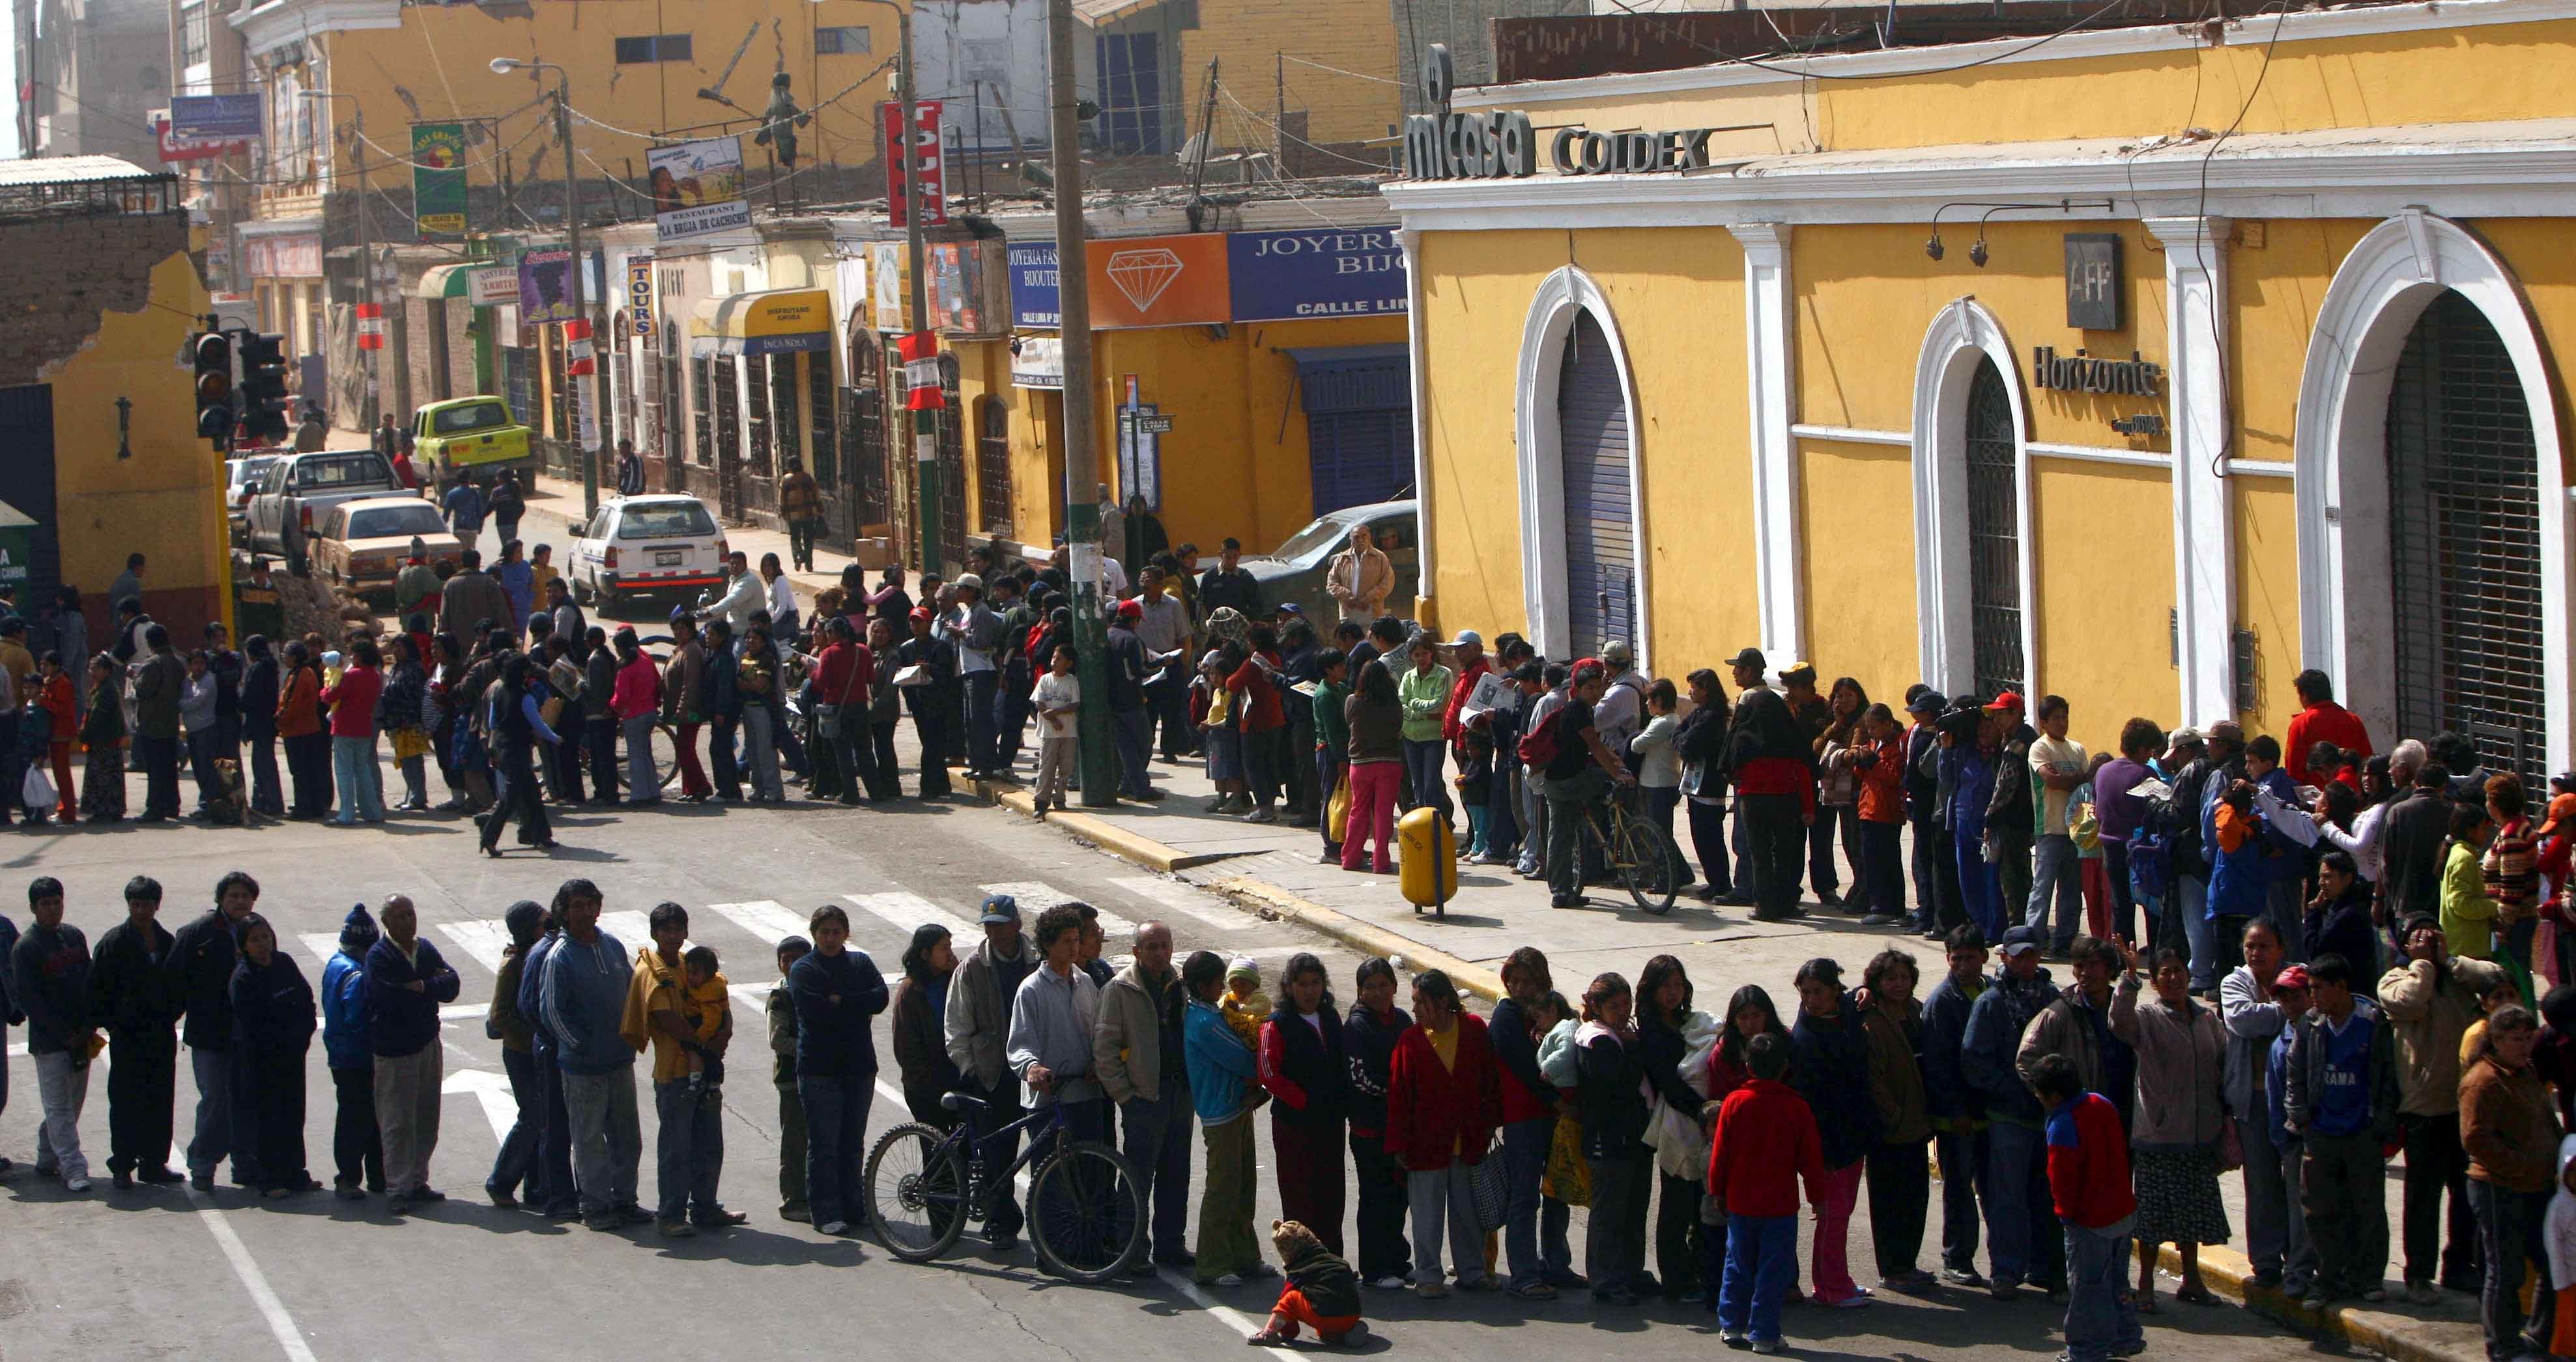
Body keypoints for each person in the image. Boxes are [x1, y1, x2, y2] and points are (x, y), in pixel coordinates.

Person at [2108, 942, 2231, 1310]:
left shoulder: (2208, 1020)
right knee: (2151, 1220)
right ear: (2156, 982)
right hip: (2158, 1136)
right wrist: (2129, 979)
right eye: (2165, 972)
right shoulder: (2146, 1017)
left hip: (2198, 1135)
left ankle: (2191, 1280)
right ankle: (2145, 1285)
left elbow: (2222, 1065)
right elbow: (2119, 1023)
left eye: (2179, 970)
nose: (2174, 978)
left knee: (2192, 1214)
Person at [2281, 950, 2399, 1310]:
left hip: (2361, 1132)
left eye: (2319, 988)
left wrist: (2382, 1126)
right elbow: (2295, 1073)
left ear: (2341, 987)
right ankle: (2327, 1279)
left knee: (2368, 1208)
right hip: (2321, 1132)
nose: (2313, 996)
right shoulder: (2311, 1024)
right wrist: (2300, 1117)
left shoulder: (2373, 1021)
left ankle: (2368, 1278)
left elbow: (2386, 1078)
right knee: (2319, 1211)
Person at [2381, 913, 2490, 1301]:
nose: (2426, 943)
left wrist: (2450, 960)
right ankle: (2418, 1274)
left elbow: (2495, 978)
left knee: (2466, 1194)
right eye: (2417, 938)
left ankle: (2459, 1266)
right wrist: (2423, 964)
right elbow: (2409, 1002)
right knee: (2423, 1198)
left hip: (2462, 1105)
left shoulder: (2458, 981)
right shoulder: (2395, 979)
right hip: (2422, 1108)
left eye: (2432, 937)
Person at [1961, 924, 2067, 1301]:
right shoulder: (1990, 1003)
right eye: (2017, 955)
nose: (2025, 962)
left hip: (2050, 1116)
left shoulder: (2053, 998)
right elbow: (1975, 1061)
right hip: (2009, 1117)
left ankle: (2045, 1266)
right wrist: (2013, 1092)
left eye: (2031, 955)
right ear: (2004, 956)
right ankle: (2006, 1270)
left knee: (2048, 1195)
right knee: (2007, 1197)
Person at [1709, 1031, 1827, 1355]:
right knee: (1773, 1270)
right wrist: (1818, 1196)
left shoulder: (1734, 1102)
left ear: (1749, 1066)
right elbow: (1811, 1159)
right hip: (1780, 1205)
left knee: (1737, 1263)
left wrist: (1717, 1190)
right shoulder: (1796, 1107)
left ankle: (1732, 1324)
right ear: (1784, 1067)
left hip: (1741, 1202)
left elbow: (1721, 1154)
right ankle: (1764, 1333)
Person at [1386, 967, 1500, 1298]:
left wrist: (1490, 1122)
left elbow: (1489, 1081)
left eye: (1421, 1002)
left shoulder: (1474, 1030)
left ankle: (1472, 1271)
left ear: (1443, 1001)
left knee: (1468, 1214)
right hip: (1425, 1145)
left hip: (1468, 1141)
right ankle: (1429, 1276)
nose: (1416, 1010)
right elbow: (1399, 1096)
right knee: (1427, 1216)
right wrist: (1399, 1143)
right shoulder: (1410, 1040)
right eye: (1414, 1002)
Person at [541, 879, 646, 1232]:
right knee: (589, 1142)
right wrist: (580, 1045)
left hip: (620, 1061)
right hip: (583, 1069)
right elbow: (552, 1012)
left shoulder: (613, 946)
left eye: (591, 905)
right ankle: (596, 1206)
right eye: (577, 906)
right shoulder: (560, 956)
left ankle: (625, 1201)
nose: (585, 912)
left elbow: (634, 991)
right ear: (564, 912)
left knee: (627, 1138)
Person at [2463, 1004, 2563, 1359]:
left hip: (2538, 1187)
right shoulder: (2483, 1080)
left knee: (2552, 1263)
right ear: (2496, 1041)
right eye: (2516, 1040)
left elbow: (2546, 1120)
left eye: (2528, 1038)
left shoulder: (2527, 1072)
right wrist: (2522, 1166)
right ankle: (2503, 1347)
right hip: (2498, 1188)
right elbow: (2475, 1139)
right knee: (2505, 1271)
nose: (2524, 1046)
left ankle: (2538, 1338)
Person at [2032, 1052, 2146, 1362]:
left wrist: (2065, 1214)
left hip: (2089, 1220)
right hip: (2121, 1212)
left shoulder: (2062, 1124)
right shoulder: (2101, 1103)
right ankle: (2126, 1335)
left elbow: (2062, 1179)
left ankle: (2085, 1349)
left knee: (2085, 1289)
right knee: (2118, 1282)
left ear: (2053, 1096)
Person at [1098, 920, 1197, 1270]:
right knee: (1138, 1178)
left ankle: (1171, 1245)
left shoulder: (1180, 985)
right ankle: (1133, 1249)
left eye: (1165, 945)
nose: (1159, 953)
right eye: (1151, 947)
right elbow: (1105, 1049)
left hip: (1179, 1095)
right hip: (1143, 1100)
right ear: (1136, 952)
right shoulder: (1119, 989)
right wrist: (1126, 1096)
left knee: (1176, 1175)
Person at [947, 894, 1038, 1249]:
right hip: (994, 1076)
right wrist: (972, 1070)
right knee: (998, 1155)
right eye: (989, 927)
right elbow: (956, 1026)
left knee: (1042, 1150)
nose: (994, 934)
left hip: (1033, 1070)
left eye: (1001, 926)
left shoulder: (1036, 961)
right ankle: (1000, 1221)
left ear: (1016, 925)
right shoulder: (972, 968)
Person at [1785, 957, 1874, 1307]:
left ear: (1835, 990)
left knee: (1841, 1215)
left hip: (1852, 1137)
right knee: (1832, 1218)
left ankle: (1839, 1279)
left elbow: (1858, 998)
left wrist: (1864, 989)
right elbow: (1815, 1105)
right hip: (1830, 1145)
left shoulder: (1843, 1014)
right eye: (1805, 992)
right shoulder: (1807, 1037)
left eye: (1818, 991)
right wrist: (1824, 1155)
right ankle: (1830, 1289)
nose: (1811, 999)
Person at [1491, 948, 1579, 1298]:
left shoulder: (1553, 1012)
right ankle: (1525, 1274)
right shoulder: (1507, 1018)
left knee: (1558, 1194)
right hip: (1525, 1119)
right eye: (1514, 981)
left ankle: (1556, 1265)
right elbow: (1528, 1071)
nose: (1521, 988)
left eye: (1528, 981)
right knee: (1525, 1197)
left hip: (1556, 1120)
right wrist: (1556, 1101)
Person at [1178, 948, 1267, 1285]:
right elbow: (1241, 1060)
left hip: (1237, 1108)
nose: (1223, 989)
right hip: (1221, 1113)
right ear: (1203, 986)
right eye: (1218, 983)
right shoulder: (1203, 1022)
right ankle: (1213, 1264)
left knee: (1244, 1186)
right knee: (1223, 1190)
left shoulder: (1211, 1013)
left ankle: (1244, 1256)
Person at [364, 894, 457, 1214]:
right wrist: (428, 987)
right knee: (397, 1121)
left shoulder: (425, 949)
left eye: (411, 914)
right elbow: (392, 1000)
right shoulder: (379, 957)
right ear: (386, 923)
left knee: (426, 1116)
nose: (408, 921)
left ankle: (418, 1180)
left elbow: (452, 984)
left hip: (428, 1044)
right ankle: (398, 1187)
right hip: (396, 1052)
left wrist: (422, 986)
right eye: (400, 916)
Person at [89, 875, 180, 1189]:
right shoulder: (113, 943)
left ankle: (154, 1163)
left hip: (160, 1035)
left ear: (158, 905)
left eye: (147, 904)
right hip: (128, 1038)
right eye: (136, 904)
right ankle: (123, 1166)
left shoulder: (167, 942)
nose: (141, 910)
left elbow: (179, 988)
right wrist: (115, 1023)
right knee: (126, 1102)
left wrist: (169, 1017)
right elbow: (97, 990)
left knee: (160, 1098)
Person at [1255, 951, 1349, 1256]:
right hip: (1294, 1125)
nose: (1309, 991)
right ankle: (1302, 1265)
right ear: (1288, 987)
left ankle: (1331, 1260)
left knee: (1332, 1193)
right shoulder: (1276, 1025)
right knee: (1300, 1195)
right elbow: (1269, 1074)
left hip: (1331, 1123)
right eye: (1302, 984)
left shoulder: (1331, 1018)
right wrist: (1303, 1101)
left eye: (1315, 983)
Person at [171, 872, 259, 1190]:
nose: (240, 901)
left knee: (246, 1101)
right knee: (215, 1100)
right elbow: (174, 978)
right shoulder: (198, 932)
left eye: (246, 896)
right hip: (210, 1034)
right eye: (234, 895)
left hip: (247, 1036)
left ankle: (246, 1164)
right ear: (221, 899)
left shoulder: (256, 929)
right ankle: (203, 1164)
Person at [1859, 947, 1938, 1292]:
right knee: (1889, 1201)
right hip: (1890, 1129)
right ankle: (1892, 1268)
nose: (1899, 984)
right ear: (1876, 982)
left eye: (1905, 978)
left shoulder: (1918, 1013)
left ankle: (1908, 1264)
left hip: (1919, 1123)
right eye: (1891, 978)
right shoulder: (1870, 1020)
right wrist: (1892, 1114)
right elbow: (1872, 1077)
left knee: (1915, 1197)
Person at [1921, 927, 1992, 1286]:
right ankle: (1958, 1257)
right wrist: (1956, 1111)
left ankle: (2008, 1262)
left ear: (1984, 956)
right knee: (1960, 1191)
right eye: (1956, 958)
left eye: (1970, 957)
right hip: (1957, 1120)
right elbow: (1939, 1066)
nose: (1963, 965)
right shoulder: (1943, 1003)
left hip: (1991, 1113)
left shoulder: (1992, 992)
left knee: (1996, 1191)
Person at [227, 913, 316, 1199]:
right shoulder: (243, 978)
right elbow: (254, 1024)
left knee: (293, 1115)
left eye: (266, 936)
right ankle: (269, 1177)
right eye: (255, 939)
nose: (263, 944)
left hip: (293, 1056)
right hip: (262, 1061)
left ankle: (296, 1174)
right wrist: (282, 1039)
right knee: (267, 1119)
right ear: (243, 946)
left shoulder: (285, 963)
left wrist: (302, 1036)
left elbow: (306, 1001)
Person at [14, 877, 94, 1191]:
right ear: (34, 908)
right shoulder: (27, 948)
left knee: (73, 1103)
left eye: (56, 902)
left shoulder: (74, 937)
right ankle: (73, 1167)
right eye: (45, 904)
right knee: (59, 1105)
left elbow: (89, 981)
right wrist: (63, 1034)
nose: (52, 909)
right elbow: (30, 1000)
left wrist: (88, 1026)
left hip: (81, 1037)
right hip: (51, 1043)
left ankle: (48, 1155)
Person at [1575, 971, 1650, 1303]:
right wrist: (1634, 1050)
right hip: (1608, 1141)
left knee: (1632, 1211)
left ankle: (1630, 1274)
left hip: (1630, 1140)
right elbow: (1620, 1085)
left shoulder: (1616, 1035)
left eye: (1626, 1004)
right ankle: (1605, 1280)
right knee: (1609, 1214)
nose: (1623, 1012)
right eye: (1615, 1006)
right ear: (1596, 1007)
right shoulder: (1597, 1041)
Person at [1342, 956, 1416, 1290]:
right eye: (1369, 987)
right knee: (1375, 1197)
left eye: (1383, 985)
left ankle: (1398, 1261)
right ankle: (1375, 1268)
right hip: (1369, 1128)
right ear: (1360, 992)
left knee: (1399, 1196)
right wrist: (1396, 1092)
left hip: (1399, 1127)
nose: (1377, 992)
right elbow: (1361, 1079)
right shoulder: (1357, 1027)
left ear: (1395, 987)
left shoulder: (1401, 1020)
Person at [1541, 661, 1638, 909]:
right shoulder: (1577, 710)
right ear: (1578, 689)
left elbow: (1593, 743)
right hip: (1564, 782)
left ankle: (1567, 887)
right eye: (1589, 688)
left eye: (1598, 688)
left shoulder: (1585, 709)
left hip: (1567, 778)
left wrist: (1614, 760)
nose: (1595, 692)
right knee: (1561, 836)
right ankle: (1561, 892)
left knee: (1562, 835)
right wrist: (1616, 774)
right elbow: (1594, 745)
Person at [1726, 649, 1812, 921]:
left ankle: (1765, 906)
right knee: (1785, 853)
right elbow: (1805, 768)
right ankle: (1787, 901)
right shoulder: (1790, 738)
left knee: (1760, 854)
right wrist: (1808, 806)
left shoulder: (1744, 738)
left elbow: (1729, 765)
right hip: (1786, 800)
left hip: (1753, 801)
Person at [479, 901, 545, 1208]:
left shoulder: (536, 956)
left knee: (542, 1119)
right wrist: (534, 1031)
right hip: (520, 1053)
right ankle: (501, 1181)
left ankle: (536, 1188)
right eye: (542, 924)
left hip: (536, 1051)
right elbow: (499, 1017)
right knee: (532, 1118)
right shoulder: (514, 964)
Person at [479, 655, 561, 855]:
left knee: (532, 795)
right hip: (519, 753)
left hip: (504, 750)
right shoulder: (526, 698)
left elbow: (492, 724)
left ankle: (540, 835)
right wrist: (556, 738)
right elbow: (538, 725)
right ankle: (488, 837)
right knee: (509, 800)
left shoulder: (499, 692)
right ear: (523, 674)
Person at [2027, 695, 2090, 952]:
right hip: (2050, 827)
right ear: (2044, 723)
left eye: (2065, 717)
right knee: (2043, 887)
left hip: (2075, 830)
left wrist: (2069, 778)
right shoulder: (2040, 748)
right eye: (2056, 719)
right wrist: (2072, 778)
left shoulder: (2077, 749)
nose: (2062, 723)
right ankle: (2033, 937)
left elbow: (2087, 779)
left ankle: (2064, 939)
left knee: (2072, 889)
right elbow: (2050, 780)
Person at [1248, 1217, 1369, 1347]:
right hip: (1353, 1314)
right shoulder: (1337, 1262)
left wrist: (1288, 1332)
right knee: (1324, 1307)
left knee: (1291, 1298)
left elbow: (1285, 1302)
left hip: (1327, 1316)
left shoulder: (1300, 1270)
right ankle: (1343, 1333)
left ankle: (1268, 1334)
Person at [890, 923, 962, 1126]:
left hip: (958, 1080)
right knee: (936, 1150)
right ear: (925, 954)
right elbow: (906, 1047)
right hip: (926, 1088)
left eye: (950, 946)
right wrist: (930, 1084)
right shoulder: (911, 992)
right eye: (943, 948)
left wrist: (959, 972)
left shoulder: (954, 979)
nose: (950, 953)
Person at [765, 934, 812, 1221]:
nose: (792, 964)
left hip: (820, 1077)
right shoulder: (780, 996)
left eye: (798, 958)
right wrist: (812, 1048)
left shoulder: (815, 987)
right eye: (786, 959)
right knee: (795, 1142)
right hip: (791, 1079)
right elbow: (777, 1040)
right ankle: (794, 1201)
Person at [321, 638, 384, 827]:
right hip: (364, 727)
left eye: (353, 654)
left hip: (344, 728)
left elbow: (329, 696)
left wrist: (327, 686)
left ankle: (347, 813)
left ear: (359, 656)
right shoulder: (375, 675)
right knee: (363, 770)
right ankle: (372, 811)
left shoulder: (351, 676)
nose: (350, 657)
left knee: (344, 771)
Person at [128, 623, 182, 821]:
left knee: (155, 769)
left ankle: (155, 808)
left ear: (150, 643)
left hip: (152, 723)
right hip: (170, 721)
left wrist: (134, 678)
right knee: (169, 768)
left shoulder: (153, 664)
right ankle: (172, 805)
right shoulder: (177, 662)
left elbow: (143, 689)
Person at [2286, 670, 2373, 788]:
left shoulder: (2300, 724)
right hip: (2354, 795)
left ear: (2305, 696)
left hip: (2318, 801)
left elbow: (2293, 770)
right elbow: (2367, 761)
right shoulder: (2353, 720)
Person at [610, 629, 663, 807]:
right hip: (649, 712)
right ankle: (653, 792)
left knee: (636, 755)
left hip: (634, 715)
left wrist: (612, 707)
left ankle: (639, 795)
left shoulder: (626, 667)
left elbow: (621, 696)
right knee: (646, 754)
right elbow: (658, 683)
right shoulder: (647, 661)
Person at [1030, 643, 1079, 812]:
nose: (1054, 661)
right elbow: (1039, 703)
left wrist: (1056, 711)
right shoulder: (1045, 680)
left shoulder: (1072, 682)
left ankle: (1059, 797)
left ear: (1069, 663)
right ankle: (1041, 801)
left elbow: (1074, 704)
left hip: (1068, 732)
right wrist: (1053, 720)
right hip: (1049, 733)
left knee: (1065, 767)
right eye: (1054, 658)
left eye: (1059, 659)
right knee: (1047, 767)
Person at [78, 653, 123, 823]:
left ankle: (107, 810)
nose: (92, 672)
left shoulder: (107, 690)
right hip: (101, 740)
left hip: (105, 740)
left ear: (106, 670)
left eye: (95, 668)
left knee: (104, 777)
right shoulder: (100, 688)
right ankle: (105, 810)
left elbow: (97, 716)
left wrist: (85, 734)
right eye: (91, 668)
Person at [1324, 522, 1392, 624]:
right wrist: (1347, 597)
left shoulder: (1380, 558)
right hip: (1348, 614)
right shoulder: (1342, 559)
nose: (1360, 540)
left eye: (1364, 536)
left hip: (1372, 613)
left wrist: (1368, 598)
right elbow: (1332, 583)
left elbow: (1387, 583)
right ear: (1351, 541)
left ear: (1370, 538)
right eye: (1356, 537)